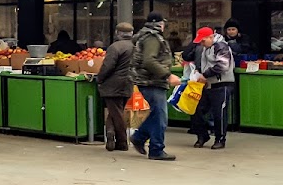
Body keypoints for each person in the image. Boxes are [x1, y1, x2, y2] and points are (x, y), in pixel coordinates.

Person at [130, 12, 182, 161]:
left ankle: (139, 138)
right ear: (159, 24)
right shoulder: (152, 38)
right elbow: (149, 61)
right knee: (160, 118)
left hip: (149, 81)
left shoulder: (146, 36)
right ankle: (156, 149)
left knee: (154, 116)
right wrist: (168, 75)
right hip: (152, 82)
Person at [191, 27, 235, 150]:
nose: (201, 43)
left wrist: (204, 75)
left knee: (219, 114)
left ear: (211, 37)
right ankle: (203, 135)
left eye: (203, 41)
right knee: (196, 110)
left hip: (222, 84)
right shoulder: (207, 48)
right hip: (209, 84)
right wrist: (199, 71)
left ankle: (220, 139)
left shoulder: (221, 46)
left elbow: (223, 66)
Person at [95, 22, 135, 152]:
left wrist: (99, 78)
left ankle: (122, 141)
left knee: (115, 112)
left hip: (112, 84)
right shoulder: (135, 47)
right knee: (116, 111)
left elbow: (108, 66)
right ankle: (111, 133)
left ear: (118, 33)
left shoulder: (115, 47)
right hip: (128, 82)